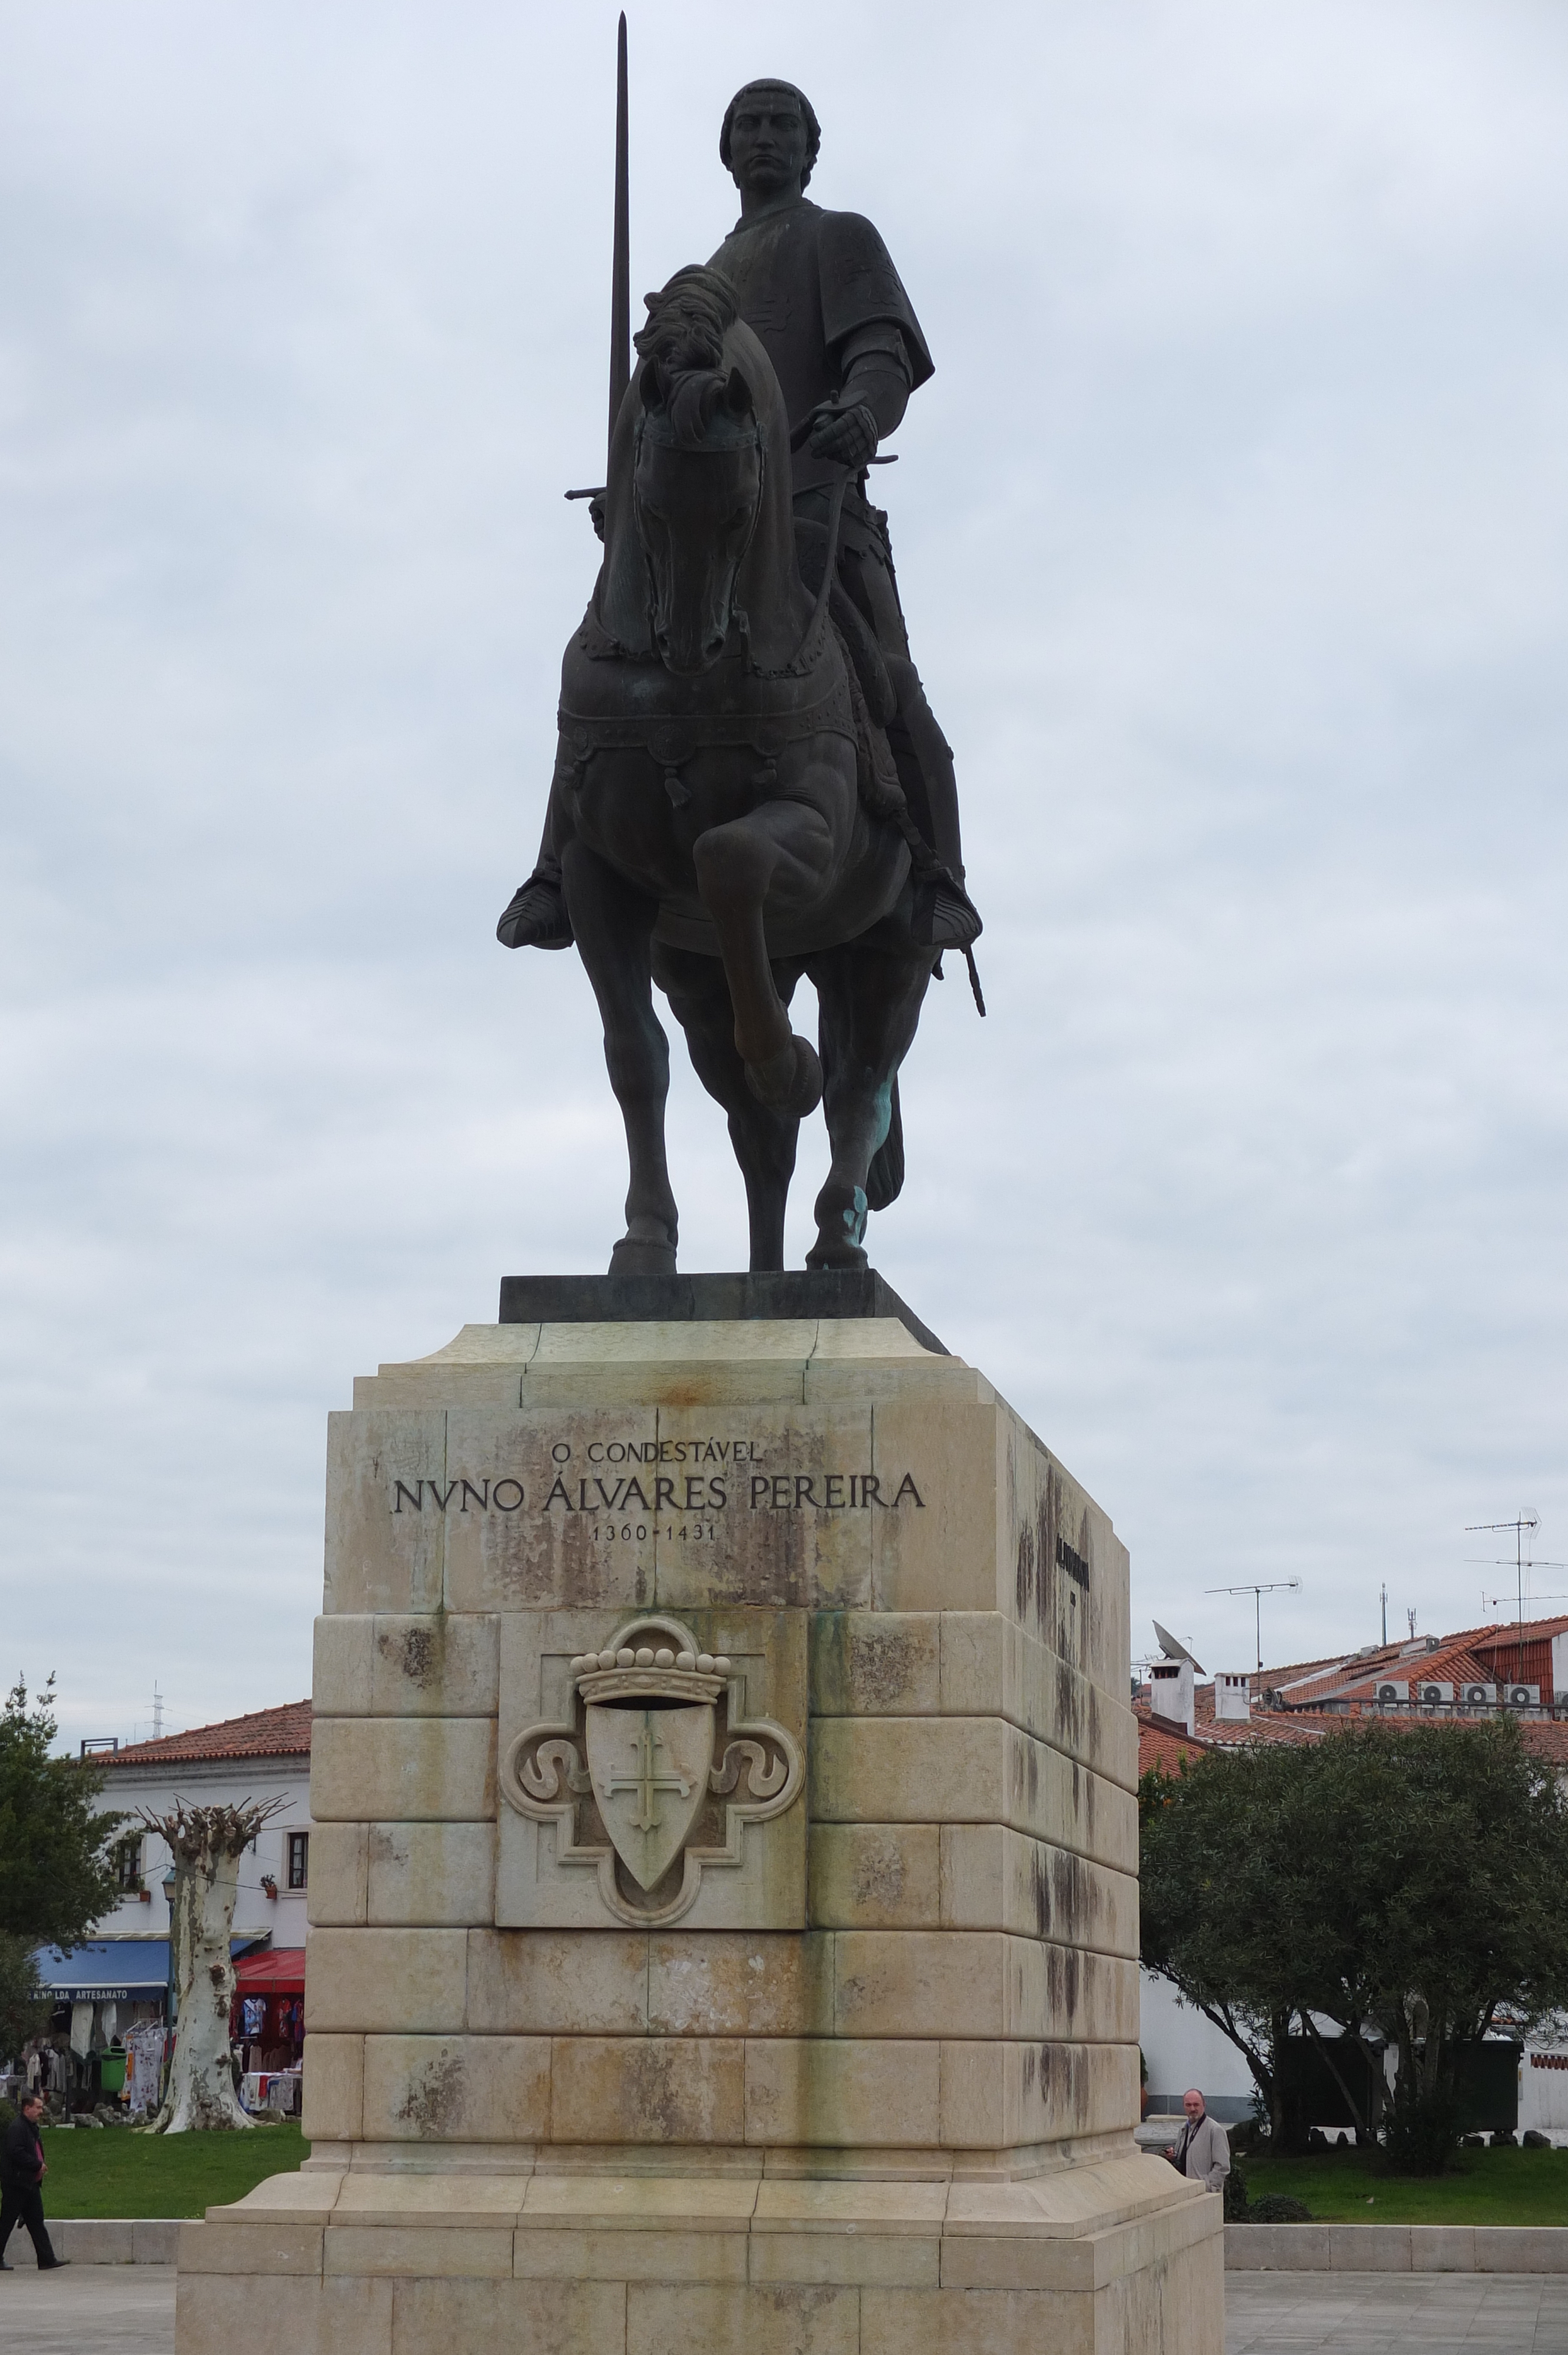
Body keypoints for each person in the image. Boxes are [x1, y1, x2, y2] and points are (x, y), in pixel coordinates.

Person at [498, 75, 979, 960]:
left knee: (887, 674)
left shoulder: (837, 237)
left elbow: (882, 353)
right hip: (690, 513)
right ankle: (556, 870)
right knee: (603, 650)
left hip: (811, 507)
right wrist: (633, 483)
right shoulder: (705, 278)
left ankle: (942, 876)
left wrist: (863, 414)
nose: (765, 137)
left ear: (808, 148)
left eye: (783, 125)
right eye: (749, 125)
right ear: (726, 151)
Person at [0, 2091, 67, 2271]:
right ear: (27, 2108)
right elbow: (16, 2152)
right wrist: (37, 2164)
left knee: (37, 2221)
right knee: (6, 2221)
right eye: (37, 2107)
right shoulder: (18, 2128)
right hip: (16, 2183)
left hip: (28, 2183)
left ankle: (47, 2259)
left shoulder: (30, 2127)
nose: (41, 2111)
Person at [1167, 2087, 1230, 2195]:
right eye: (1188, 2105)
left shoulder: (1215, 2130)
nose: (1192, 2109)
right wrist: (1173, 2156)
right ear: (1184, 2106)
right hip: (1184, 2190)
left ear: (1204, 2105)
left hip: (1204, 2194)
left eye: (1196, 2105)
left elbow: (1223, 2166)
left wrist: (1208, 2187)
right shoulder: (1183, 2128)